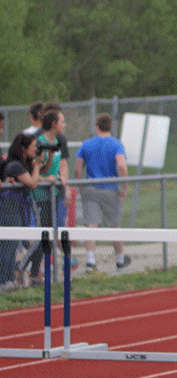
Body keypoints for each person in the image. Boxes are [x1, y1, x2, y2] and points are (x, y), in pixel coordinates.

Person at [75, 113, 131, 272]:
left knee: (91, 225)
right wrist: (124, 186)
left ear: (97, 127)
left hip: (91, 188)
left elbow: (78, 168)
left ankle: (90, 261)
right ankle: (120, 260)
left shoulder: (86, 144)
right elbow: (122, 166)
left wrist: (81, 187)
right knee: (114, 226)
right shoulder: (116, 144)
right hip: (110, 189)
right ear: (110, 127)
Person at [21, 109, 71, 284]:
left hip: (53, 195)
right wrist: (47, 178)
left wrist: (58, 177)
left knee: (48, 237)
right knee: (43, 235)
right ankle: (21, 267)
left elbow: (48, 167)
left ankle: (35, 274)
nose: (64, 125)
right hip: (39, 196)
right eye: (62, 121)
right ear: (54, 124)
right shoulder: (39, 142)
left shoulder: (56, 142)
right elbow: (35, 171)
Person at [0, 134, 40, 291]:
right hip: (9, 207)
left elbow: (36, 178)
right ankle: (4, 280)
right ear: (24, 148)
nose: (36, 149)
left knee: (13, 244)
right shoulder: (15, 166)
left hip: (16, 207)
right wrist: (36, 166)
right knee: (8, 245)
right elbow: (32, 183)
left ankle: (8, 278)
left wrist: (42, 162)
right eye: (34, 146)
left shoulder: (19, 165)